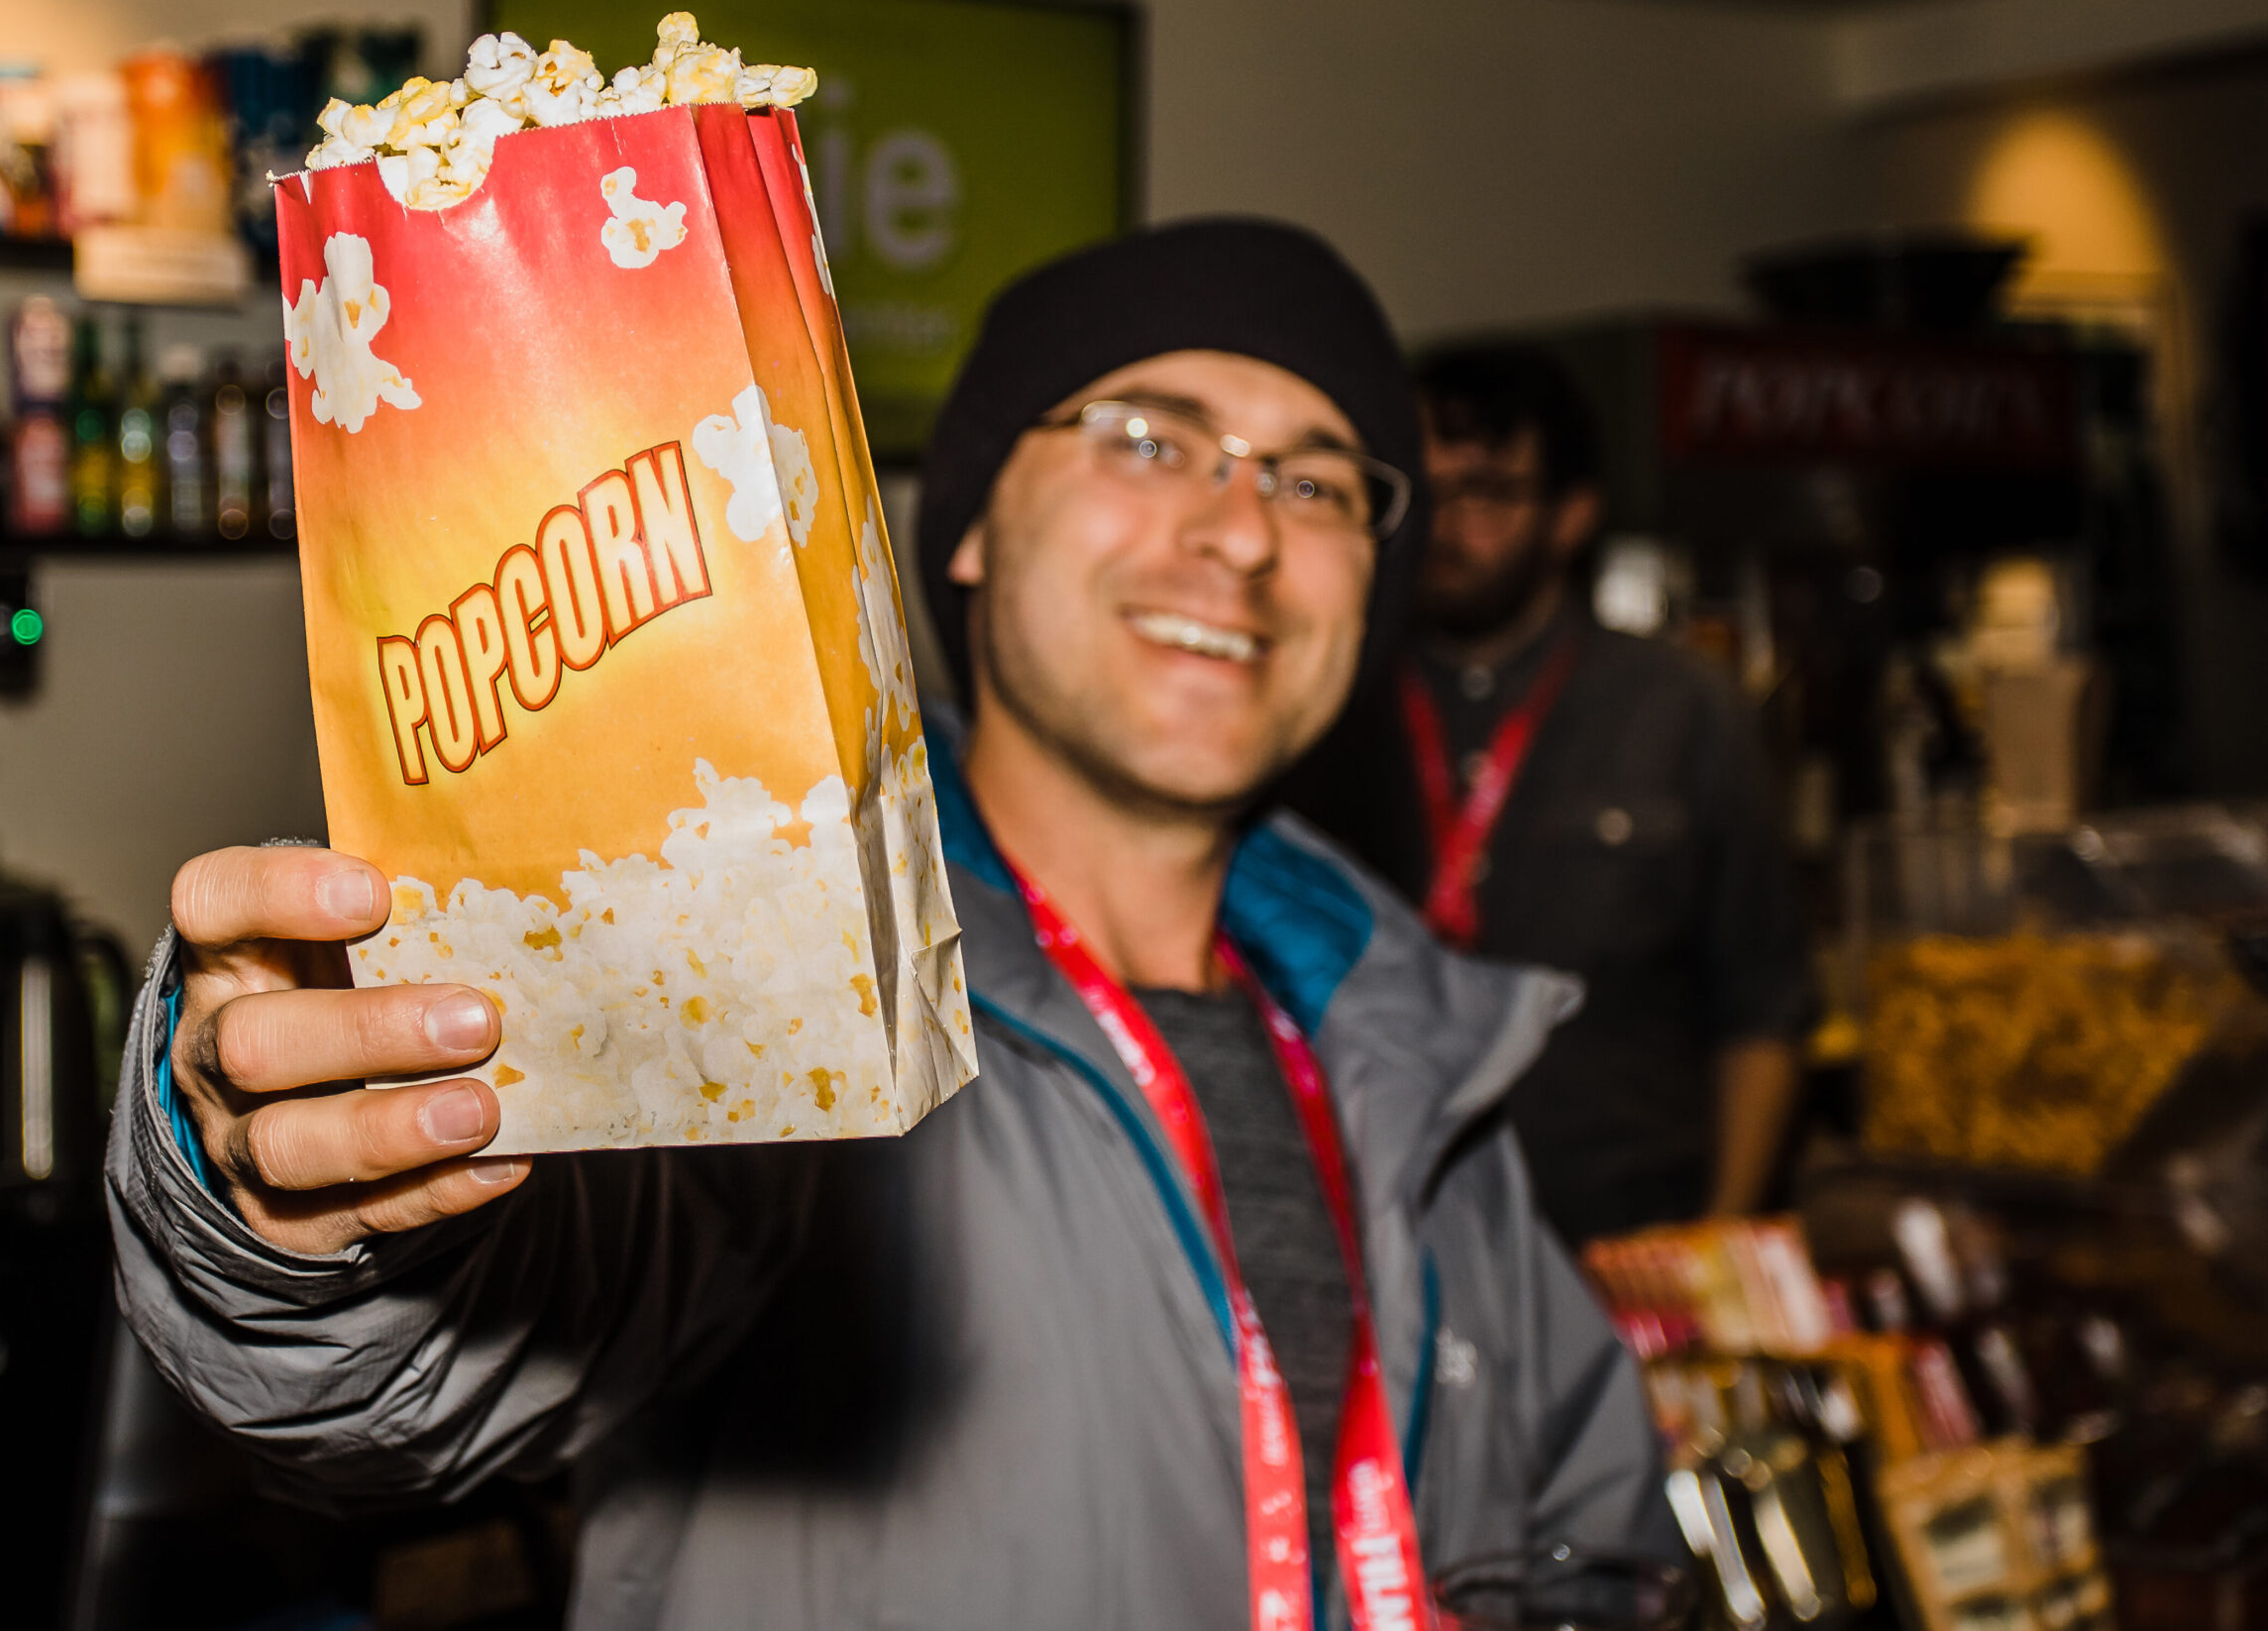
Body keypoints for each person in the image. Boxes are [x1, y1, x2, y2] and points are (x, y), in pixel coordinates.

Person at [109, 222, 1674, 1630]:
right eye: (1151, 440)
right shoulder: (773, 974)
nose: (1246, 533)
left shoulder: (1413, 1035)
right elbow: (415, 1368)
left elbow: (1595, 1529)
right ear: (974, 525)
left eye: (1315, 481)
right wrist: (287, 1205)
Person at [1297, 345, 1814, 1249]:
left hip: (1628, 1237)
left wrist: (1722, 1237)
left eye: (1487, 494)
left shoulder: (1678, 707)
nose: (1447, 526)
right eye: (1426, 490)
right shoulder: (1327, 704)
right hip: (1386, 1234)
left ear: (1571, 516)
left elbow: (1764, 1008)